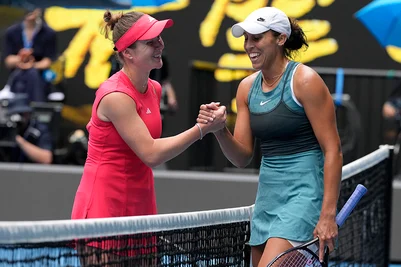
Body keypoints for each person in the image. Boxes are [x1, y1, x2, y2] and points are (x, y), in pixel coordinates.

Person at [70, 9, 226, 265]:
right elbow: (151, 153)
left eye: (159, 38)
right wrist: (201, 130)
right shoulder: (116, 96)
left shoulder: (154, 88)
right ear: (127, 53)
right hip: (103, 204)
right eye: (150, 41)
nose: (159, 45)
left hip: (141, 203)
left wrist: (205, 123)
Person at [197, 7, 343, 266]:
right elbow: (242, 157)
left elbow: (333, 150)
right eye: (246, 39)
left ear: (280, 39)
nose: (249, 46)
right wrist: (220, 130)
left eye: (257, 38)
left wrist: (328, 215)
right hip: (267, 199)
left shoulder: (305, 81)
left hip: (303, 197)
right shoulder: (246, 88)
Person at [2, 8, 57, 103]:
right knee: (23, 76)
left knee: (32, 74)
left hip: (39, 76)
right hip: (17, 75)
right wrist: (21, 58)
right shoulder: (11, 32)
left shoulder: (49, 33)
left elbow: (48, 61)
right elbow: (8, 60)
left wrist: (32, 65)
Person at [1, 94, 53, 164]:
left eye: (22, 114)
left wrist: (18, 140)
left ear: (28, 113)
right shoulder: (4, 129)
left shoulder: (39, 129)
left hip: (32, 171)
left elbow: (46, 158)